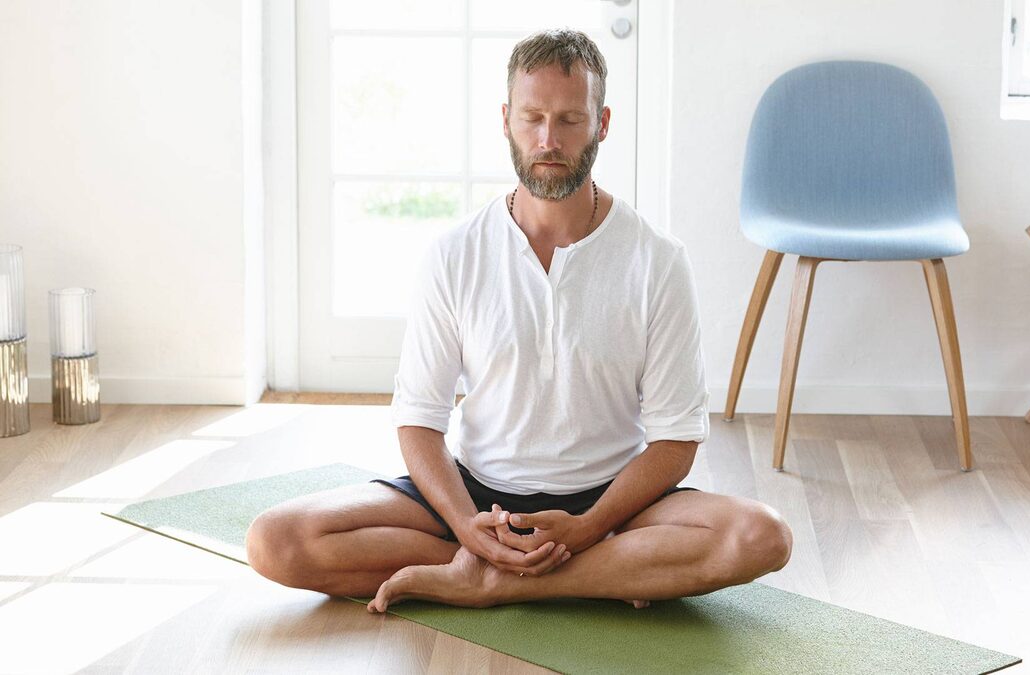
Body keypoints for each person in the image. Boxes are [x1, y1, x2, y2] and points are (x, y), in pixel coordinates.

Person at [245, 28, 792, 612]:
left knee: (762, 536)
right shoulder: (455, 253)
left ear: (602, 124)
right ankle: (583, 570)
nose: (548, 140)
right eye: (532, 118)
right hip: (478, 496)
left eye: (570, 120)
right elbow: (419, 420)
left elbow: (675, 440)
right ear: (507, 120)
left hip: (612, 504)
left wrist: (590, 527)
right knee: (276, 541)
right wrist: (466, 526)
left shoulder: (658, 260)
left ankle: (494, 580)